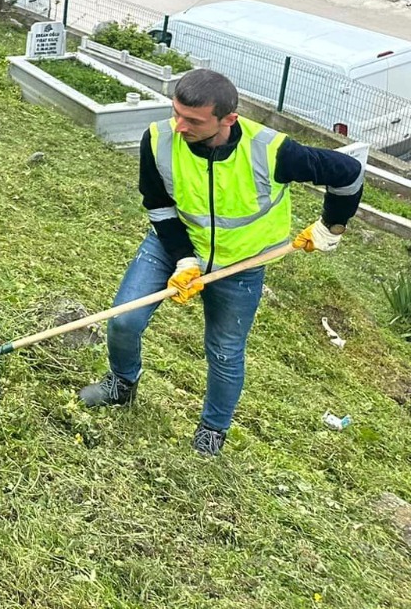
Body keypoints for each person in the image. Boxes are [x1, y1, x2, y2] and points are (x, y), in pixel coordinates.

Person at [79, 68, 363, 458]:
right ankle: (121, 384)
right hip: (171, 246)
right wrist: (182, 260)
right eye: (177, 113)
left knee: (225, 351)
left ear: (229, 119)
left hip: (241, 264)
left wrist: (332, 225)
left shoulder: (272, 150)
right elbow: (159, 207)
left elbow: (348, 173)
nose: (179, 126)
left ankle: (213, 428)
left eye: (193, 120)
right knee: (124, 320)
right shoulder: (159, 139)